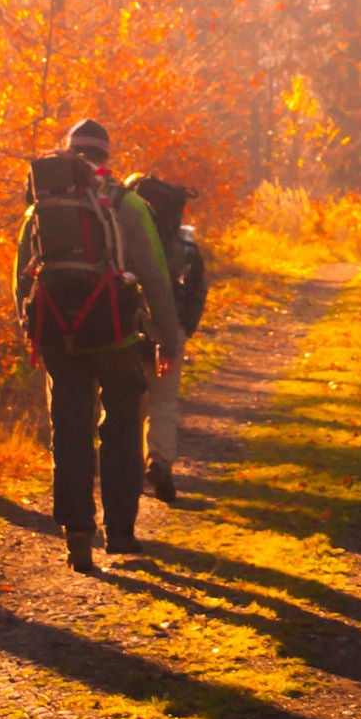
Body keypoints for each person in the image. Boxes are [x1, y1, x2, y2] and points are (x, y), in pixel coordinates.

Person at [14, 119, 183, 572]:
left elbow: (21, 280)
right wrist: (169, 339)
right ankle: (122, 533)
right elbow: (154, 274)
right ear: (106, 157)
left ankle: (77, 538)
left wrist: (33, 331)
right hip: (115, 333)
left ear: (69, 155)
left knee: (69, 430)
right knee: (122, 426)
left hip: (59, 339)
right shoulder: (128, 204)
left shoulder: (40, 208)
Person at [126, 174, 208, 502]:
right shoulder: (184, 244)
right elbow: (198, 289)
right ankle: (159, 461)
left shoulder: (121, 234)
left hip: (129, 327)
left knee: (128, 401)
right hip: (169, 327)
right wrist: (182, 329)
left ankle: (125, 468)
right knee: (163, 400)